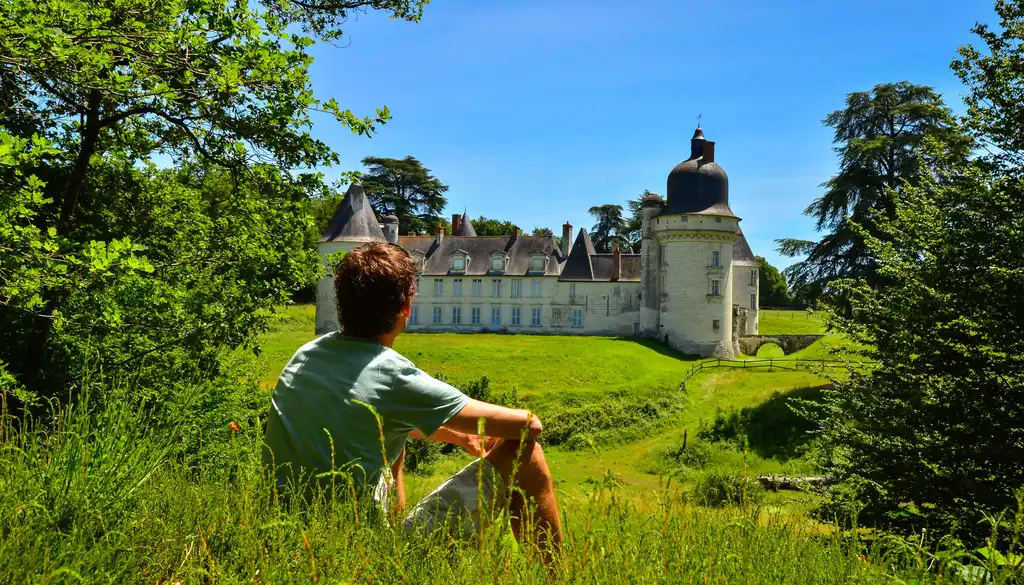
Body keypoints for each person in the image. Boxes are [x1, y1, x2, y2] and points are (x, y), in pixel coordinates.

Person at [263, 242, 562, 557]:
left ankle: (394, 529)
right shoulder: (394, 376)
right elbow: (530, 426)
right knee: (527, 456)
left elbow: (368, 417)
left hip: (286, 538)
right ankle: (556, 580)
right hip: (359, 552)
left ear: (342, 303)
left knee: (395, 433)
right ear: (405, 306)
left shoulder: (307, 354)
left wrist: (459, 436)